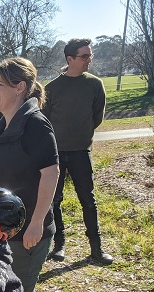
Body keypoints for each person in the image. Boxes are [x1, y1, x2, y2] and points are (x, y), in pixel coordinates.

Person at [0, 57, 59, 292]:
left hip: (28, 231)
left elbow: (51, 173)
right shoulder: (5, 125)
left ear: (20, 88)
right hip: (9, 228)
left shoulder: (35, 124)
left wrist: (37, 223)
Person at [43, 38, 113, 265]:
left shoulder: (95, 85)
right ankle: (59, 245)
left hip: (81, 152)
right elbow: (44, 121)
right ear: (69, 59)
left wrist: (81, 136)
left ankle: (96, 248)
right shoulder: (51, 89)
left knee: (88, 200)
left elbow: (97, 117)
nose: (88, 60)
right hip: (55, 154)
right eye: (84, 56)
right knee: (55, 200)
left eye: (90, 56)